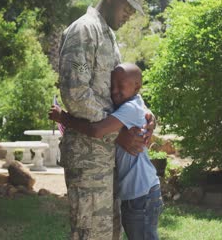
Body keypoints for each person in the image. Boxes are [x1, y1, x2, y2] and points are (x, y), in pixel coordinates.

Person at [58, 0, 152, 239]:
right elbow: (76, 93)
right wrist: (117, 131)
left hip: (109, 156)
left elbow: (119, 95)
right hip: (88, 158)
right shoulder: (84, 30)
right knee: (90, 233)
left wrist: (144, 115)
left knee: (110, 232)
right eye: (127, 8)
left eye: (133, 12)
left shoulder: (107, 35)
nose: (129, 16)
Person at [51, 63, 163, 240]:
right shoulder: (135, 102)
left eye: (121, 85)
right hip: (141, 193)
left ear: (136, 87)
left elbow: (97, 131)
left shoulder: (130, 108)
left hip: (141, 195)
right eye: (113, 85)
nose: (115, 91)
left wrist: (63, 118)